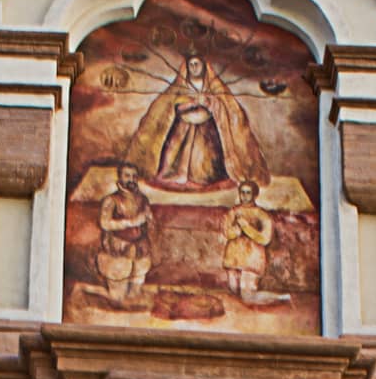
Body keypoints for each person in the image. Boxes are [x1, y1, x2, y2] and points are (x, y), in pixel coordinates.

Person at [130, 48, 266, 192]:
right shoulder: (181, 85)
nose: (194, 68)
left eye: (197, 64)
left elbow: (224, 105)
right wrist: (189, 103)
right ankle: (174, 173)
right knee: (174, 147)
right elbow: (171, 105)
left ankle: (201, 176)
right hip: (183, 125)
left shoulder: (213, 85)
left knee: (202, 159)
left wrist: (209, 102)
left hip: (206, 128)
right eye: (191, 65)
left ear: (204, 66)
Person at [95, 163, 153, 307]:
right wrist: (131, 222)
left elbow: (149, 221)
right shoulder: (111, 200)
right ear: (120, 178)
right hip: (118, 250)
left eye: (134, 176)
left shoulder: (143, 199)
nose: (131, 179)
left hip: (139, 249)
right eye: (127, 176)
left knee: (135, 293)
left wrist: (149, 220)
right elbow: (105, 223)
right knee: (117, 297)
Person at [221, 179, 278, 304]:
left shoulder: (262, 214)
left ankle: (281, 298)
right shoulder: (233, 212)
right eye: (242, 192)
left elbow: (265, 238)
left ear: (255, 195)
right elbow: (227, 231)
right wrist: (236, 231)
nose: (244, 196)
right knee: (233, 290)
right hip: (234, 256)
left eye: (248, 193)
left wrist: (246, 228)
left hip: (252, 257)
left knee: (247, 296)